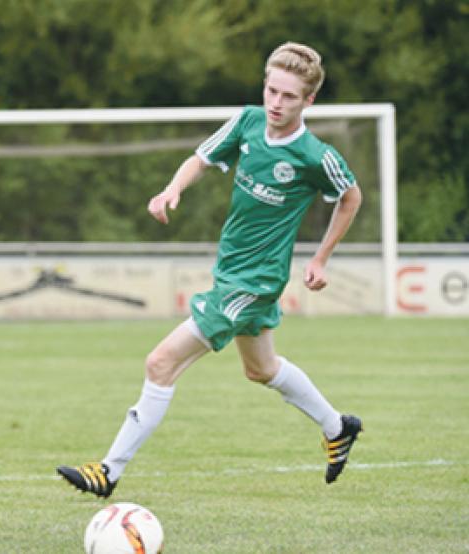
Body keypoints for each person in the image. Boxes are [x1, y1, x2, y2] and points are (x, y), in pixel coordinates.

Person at [57, 42, 364, 497]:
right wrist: (170, 191)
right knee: (260, 369)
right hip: (232, 272)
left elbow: (351, 196)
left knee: (160, 362)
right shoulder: (248, 121)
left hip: (254, 282)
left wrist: (321, 258)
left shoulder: (314, 156)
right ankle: (337, 427)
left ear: (308, 101)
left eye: (289, 96)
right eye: (271, 90)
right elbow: (201, 158)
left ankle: (109, 470)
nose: (276, 103)